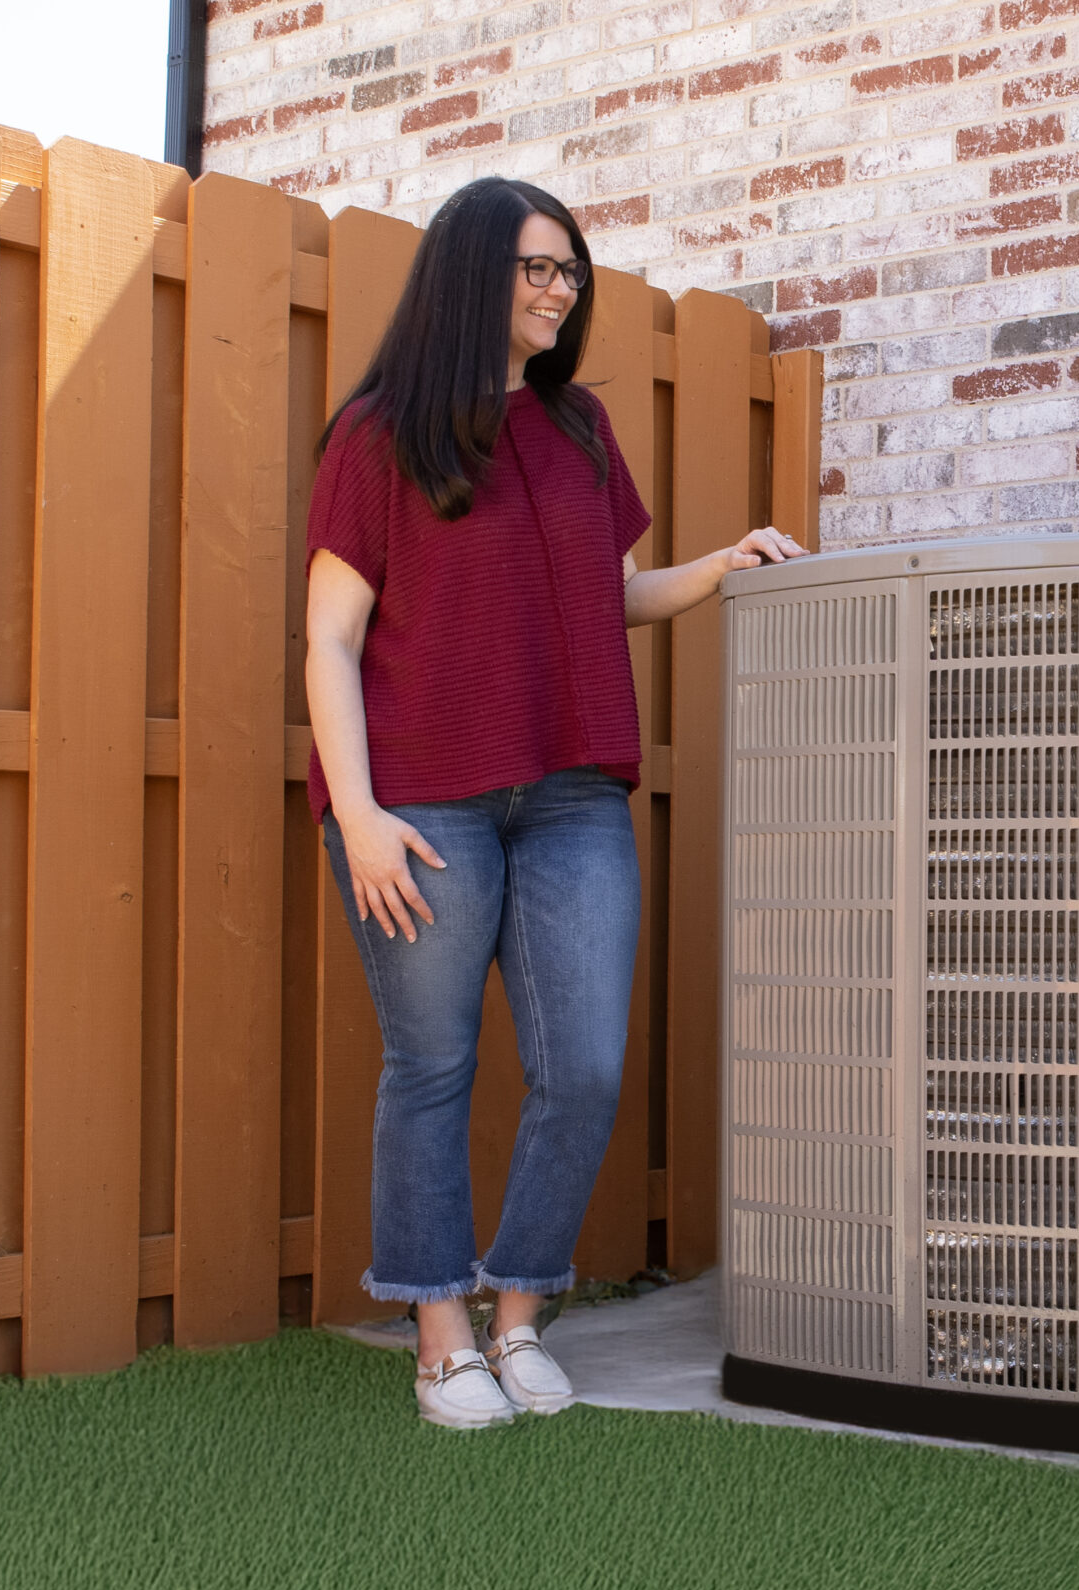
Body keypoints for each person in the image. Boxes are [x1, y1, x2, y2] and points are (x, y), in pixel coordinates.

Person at [303, 177, 804, 1430]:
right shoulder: (380, 434)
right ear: (471, 273)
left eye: (570, 269)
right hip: (422, 805)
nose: (560, 288)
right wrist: (356, 814)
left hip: (572, 793)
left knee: (581, 1068)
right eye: (536, 266)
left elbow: (607, 597)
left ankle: (517, 1315)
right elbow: (329, 639)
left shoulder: (579, 427)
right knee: (432, 1068)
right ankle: (439, 1339)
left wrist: (720, 564)